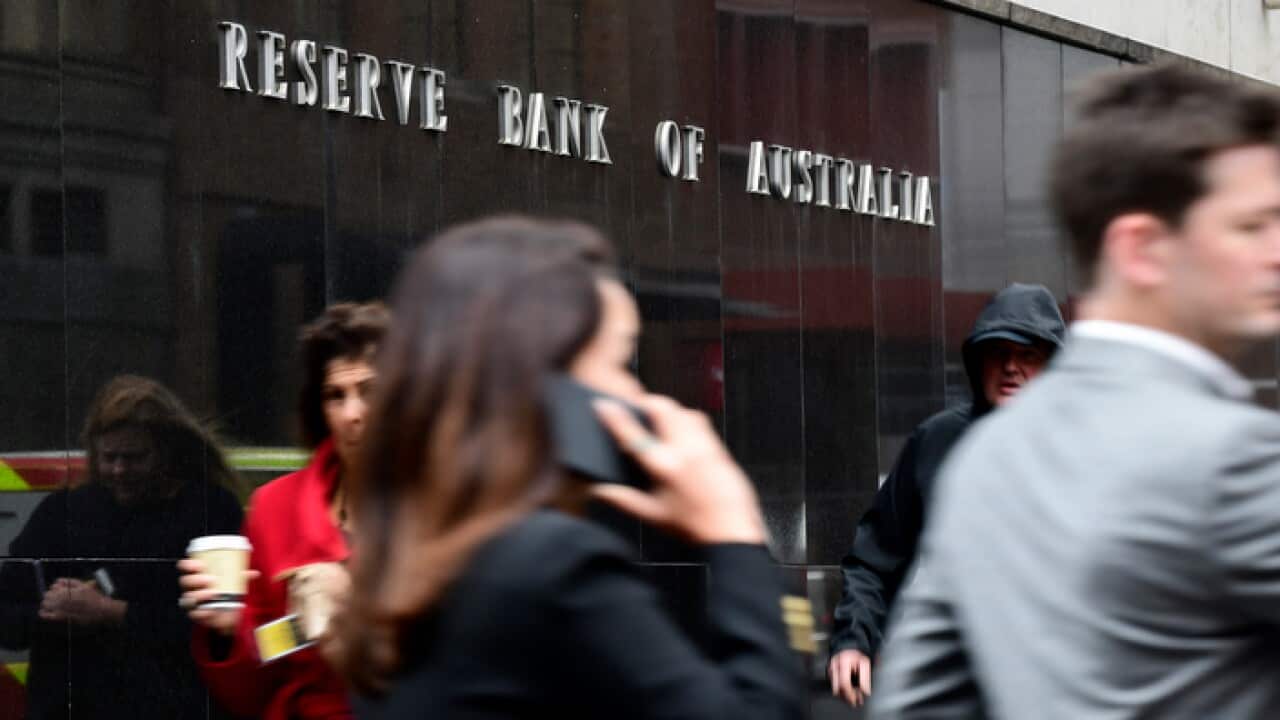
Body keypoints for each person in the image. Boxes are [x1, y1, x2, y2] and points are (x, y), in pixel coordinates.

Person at [871, 63, 1280, 719]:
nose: (1276, 251)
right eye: (1251, 226)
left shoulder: (986, 461)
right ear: (1142, 249)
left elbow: (917, 705)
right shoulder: (1240, 458)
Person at [326, 216, 805, 719]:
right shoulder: (555, 565)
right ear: (552, 388)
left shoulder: (408, 563)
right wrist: (733, 530)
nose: (637, 393)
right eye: (620, 363)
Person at [828, 283, 1065, 706]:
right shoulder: (936, 441)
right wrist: (853, 641)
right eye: (998, 353)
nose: (1011, 367)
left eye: (1027, 355)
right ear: (978, 363)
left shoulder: (1085, 449)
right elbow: (873, 560)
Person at [179, 302, 388, 720]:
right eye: (336, 396)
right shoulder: (276, 508)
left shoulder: (453, 503)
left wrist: (351, 611)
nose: (352, 414)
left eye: (369, 390)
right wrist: (233, 631)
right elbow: (263, 677)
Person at [0, 375, 244, 720]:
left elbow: (220, 632)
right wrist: (53, 613)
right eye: (109, 457)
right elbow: (8, 616)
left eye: (134, 458)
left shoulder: (209, 513)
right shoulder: (61, 515)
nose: (119, 470)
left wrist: (112, 612)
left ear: (166, 451)